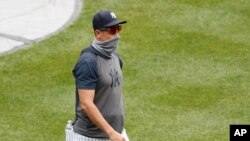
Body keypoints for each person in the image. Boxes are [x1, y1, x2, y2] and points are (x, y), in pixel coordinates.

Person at [66, 10, 129, 141]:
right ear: (98, 34)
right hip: (89, 136)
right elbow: (86, 104)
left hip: (116, 134)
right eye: (112, 30)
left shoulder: (115, 57)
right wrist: (110, 133)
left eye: (118, 29)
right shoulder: (88, 62)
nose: (117, 35)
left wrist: (115, 132)